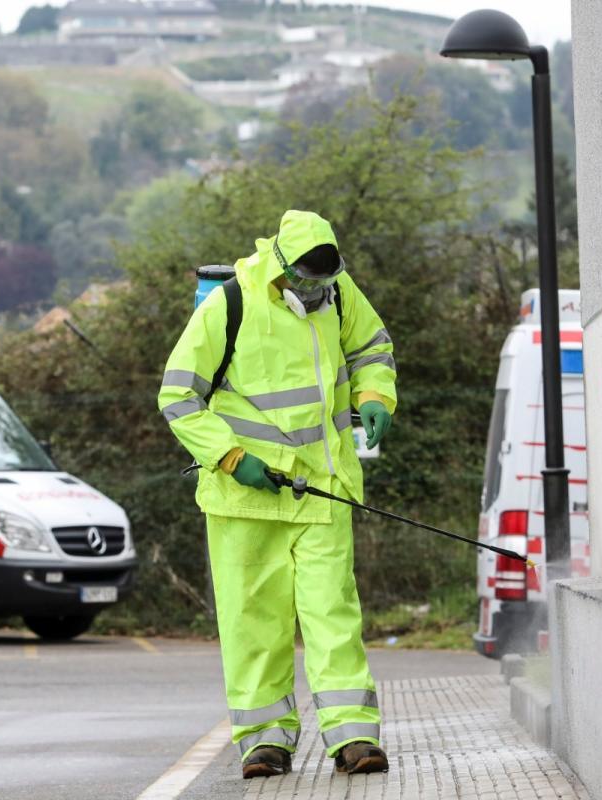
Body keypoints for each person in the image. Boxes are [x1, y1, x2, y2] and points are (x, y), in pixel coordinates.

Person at [158, 210, 397, 779]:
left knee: (332, 615)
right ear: (282, 266)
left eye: (324, 282)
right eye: (306, 282)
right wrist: (233, 457)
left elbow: (374, 348)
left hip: (322, 490)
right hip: (245, 499)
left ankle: (354, 738)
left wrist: (375, 396)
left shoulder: (339, 294)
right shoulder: (231, 304)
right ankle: (264, 743)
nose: (315, 292)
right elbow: (178, 396)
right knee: (254, 621)